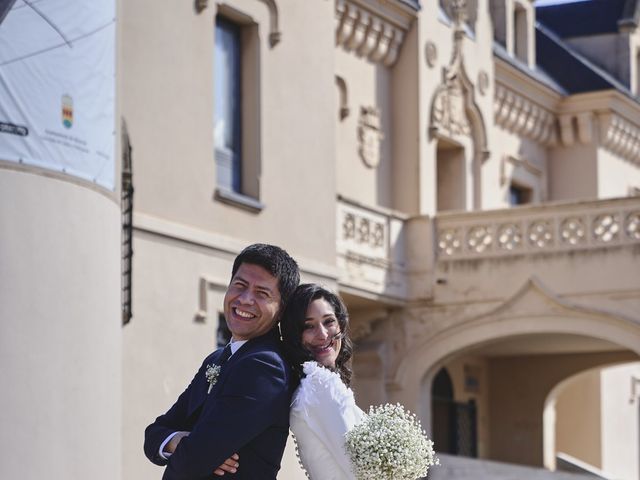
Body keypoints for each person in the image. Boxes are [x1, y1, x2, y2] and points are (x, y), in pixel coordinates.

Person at [144, 243, 300, 480]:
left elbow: (192, 461)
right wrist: (179, 440)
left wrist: (191, 446)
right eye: (240, 285)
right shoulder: (217, 359)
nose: (246, 299)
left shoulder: (266, 367)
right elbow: (153, 434)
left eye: (262, 293)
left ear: (281, 310)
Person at [280, 283, 366, 480]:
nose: (322, 334)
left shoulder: (315, 385)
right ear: (295, 336)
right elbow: (360, 471)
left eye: (328, 321)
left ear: (341, 326)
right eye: (308, 326)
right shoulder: (320, 386)